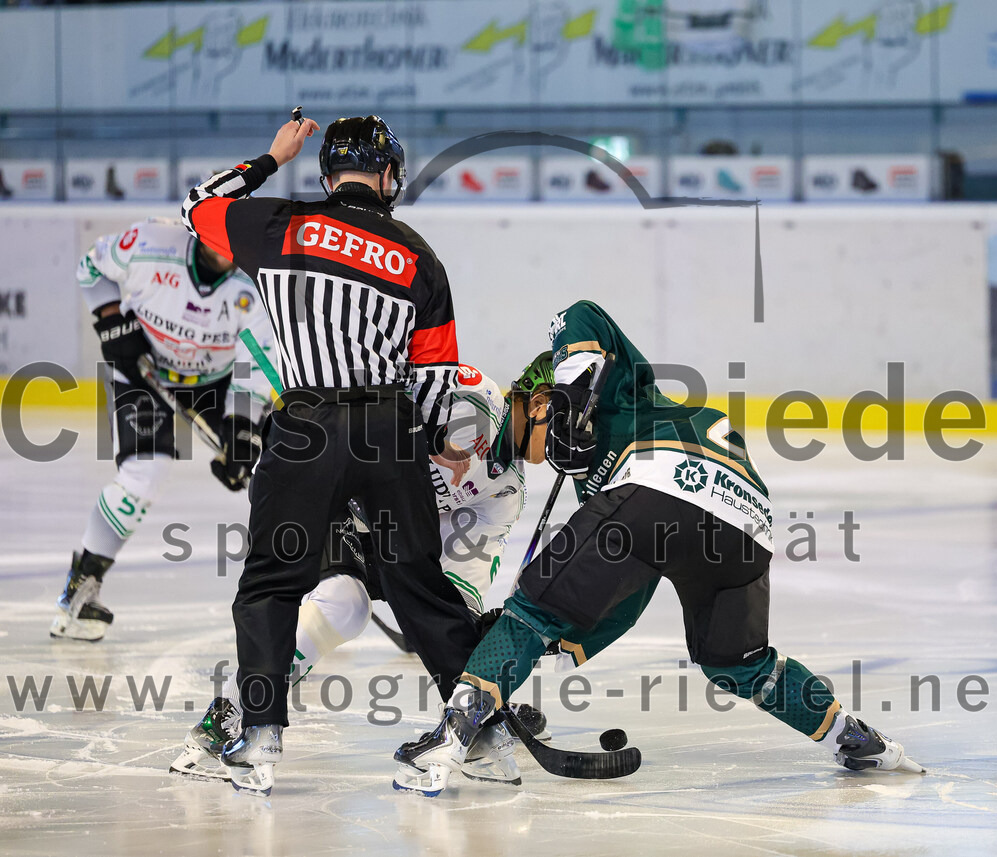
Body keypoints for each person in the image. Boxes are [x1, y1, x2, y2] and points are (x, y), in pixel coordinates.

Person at [393, 300, 924, 796]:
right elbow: (628, 596)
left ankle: (451, 739)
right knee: (740, 663)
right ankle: (856, 739)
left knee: (529, 611)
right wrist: (557, 641)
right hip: (746, 523)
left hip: (662, 479)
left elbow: (581, 315)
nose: (536, 460)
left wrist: (571, 399)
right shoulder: (603, 478)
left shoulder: (621, 393)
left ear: (540, 400)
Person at [181, 114, 483, 795]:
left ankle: (260, 734)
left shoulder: (277, 224)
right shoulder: (419, 255)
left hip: (305, 427)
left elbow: (196, 207)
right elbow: (435, 374)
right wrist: (436, 440)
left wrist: (269, 159)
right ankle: (483, 730)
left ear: (325, 173)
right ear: (388, 174)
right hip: (389, 429)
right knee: (419, 583)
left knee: (270, 583)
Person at [170, 355, 556, 788]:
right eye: (563, 424)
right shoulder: (471, 397)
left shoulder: (506, 491)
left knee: (429, 614)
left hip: (388, 527)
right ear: (538, 403)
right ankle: (234, 712)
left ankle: (470, 723)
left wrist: (471, 650)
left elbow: (455, 586)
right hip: (323, 485)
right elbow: (371, 392)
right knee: (344, 605)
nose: (564, 445)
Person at [51, 216, 275, 642]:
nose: (226, 247)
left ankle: (321, 580)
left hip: (216, 381)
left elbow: (257, 359)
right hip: (142, 366)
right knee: (144, 472)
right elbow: (91, 267)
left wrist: (242, 430)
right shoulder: (150, 242)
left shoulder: (257, 282)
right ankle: (79, 588)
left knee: (277, 468)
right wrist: (112, 321)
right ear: (199, 229)